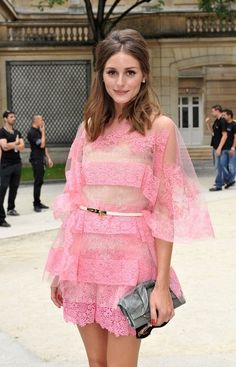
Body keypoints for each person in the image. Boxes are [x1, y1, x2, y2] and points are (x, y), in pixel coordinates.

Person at [44, 29, 214, 367]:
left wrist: (161, 285)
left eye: (130, 72)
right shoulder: (90, 125)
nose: (120, 82)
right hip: (83, 257)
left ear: (144, 75)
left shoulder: (160, 128)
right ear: (101, 75)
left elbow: (165, 210)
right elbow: (75, 200)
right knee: (96, 362)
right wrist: (61, 268)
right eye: (112, 72)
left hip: (130, 261)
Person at [0, 110, 25, 227]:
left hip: (17, 164)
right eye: (11, 117)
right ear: (5, 119)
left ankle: (11, 208)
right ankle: (1, 218)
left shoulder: (17, 132)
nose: (14, 118)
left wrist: (14, 144)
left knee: (14, 187)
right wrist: (15, 143)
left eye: (15, 116)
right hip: (6, 165)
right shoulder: (2, 132)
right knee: (2, 189)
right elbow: (4, 147)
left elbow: (22, 147)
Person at [27, 115, 53, 212]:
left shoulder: (38, 131)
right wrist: (43, 132)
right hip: (36, 159)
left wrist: (48, 158)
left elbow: (44, 146)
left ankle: (38, 202)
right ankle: (36, 204)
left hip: (41, 158)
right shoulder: (32, 133)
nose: (43, 121)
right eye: (42, 119)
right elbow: (41, 144)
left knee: (40, 181)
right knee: (37, 181)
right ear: (36, 121)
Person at [206, 105, 227, 191]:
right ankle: (222, 181)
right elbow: (213, 132)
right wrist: (207, 123)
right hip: (214, 146)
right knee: (217, 165)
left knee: (218, 166)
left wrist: (219, 148)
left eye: (213, 111)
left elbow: (225, 135)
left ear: (218, 111)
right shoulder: (217, 121)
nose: (212, 113)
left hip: (219, 147)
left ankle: (219, 184)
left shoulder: (222, 121)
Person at [221, 109, 236, 188]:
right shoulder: (224, 124)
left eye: (224, 115)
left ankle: (230, 181)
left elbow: (235, 137)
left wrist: (233, 148)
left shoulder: (234, 124)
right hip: (224, 149)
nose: (223, 116)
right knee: (222, 164)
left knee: (232, 166)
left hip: (231, 149)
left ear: (229, 115)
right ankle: (229, 180)